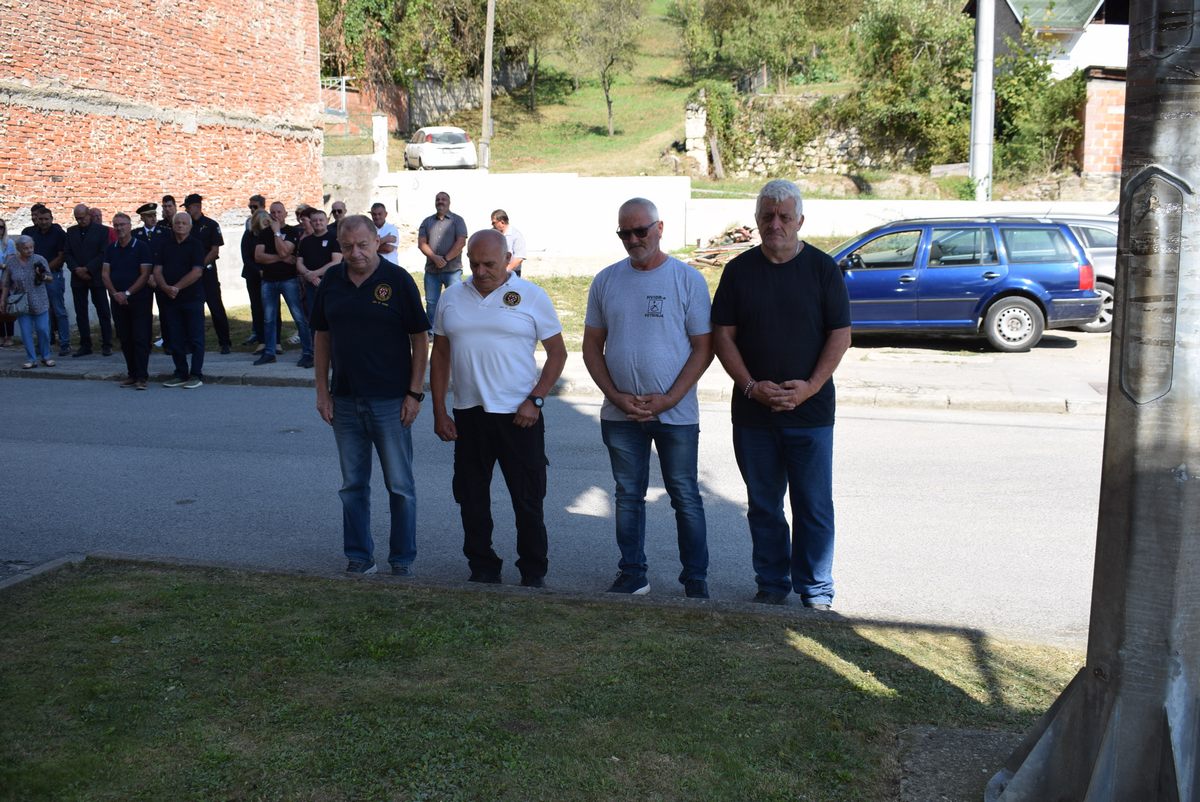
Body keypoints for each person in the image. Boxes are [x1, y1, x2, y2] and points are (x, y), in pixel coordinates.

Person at [711, 179, 852, 609]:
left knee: (813, 506)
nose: (776, 224)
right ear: (756, 221)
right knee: (764, 505)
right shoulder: (738, 271)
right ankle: (772, 583)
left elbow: (840, 335)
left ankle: (816, 588)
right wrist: (750, 387)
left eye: (784, 217)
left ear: (800, 221)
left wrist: (810, 388)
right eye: (767, 216)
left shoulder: (823, 269)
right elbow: (722, 336)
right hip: (753, 415)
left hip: (810, 414)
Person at [582, 198, 713, 599]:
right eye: (625, 233)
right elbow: (591, 347)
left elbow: (703, 348)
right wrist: (616, 397)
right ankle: (633, 574)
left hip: (676, 414)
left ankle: (695, 580)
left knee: (684, 496)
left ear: (660, 228)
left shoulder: (687, 279)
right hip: (620, 413)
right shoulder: (606, 280)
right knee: (627, 496)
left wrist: (670, 399)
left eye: (641, 231)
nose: (633, 239)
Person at [430, 229, 567, 587]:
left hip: (520, 415)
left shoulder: (532, 296)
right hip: (469, 414)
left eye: (489, 264)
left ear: (507, 259)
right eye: (474, 264)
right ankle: (482, 566)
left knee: (528, 500)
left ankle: (533, 571)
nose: (480, 272)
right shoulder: (451, 297)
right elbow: (440, 355)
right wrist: (439, 411)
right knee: (472, 498)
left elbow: (557, 353)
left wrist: (536, 399)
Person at [311, 214, 430, 575]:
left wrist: (414, 393)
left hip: (391, 402)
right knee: (352, 486)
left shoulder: (398, 280)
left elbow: (419, 339)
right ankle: (360, 557)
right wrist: (322, 391)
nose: (356, 253)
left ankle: (402, 559)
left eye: (363, 245)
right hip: (345, 401)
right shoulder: (332, 281)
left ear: (378, 241)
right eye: (347, 247)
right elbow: (322, 337)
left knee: (400, 486)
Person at [153, 212, 207, 389]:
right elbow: (157, 270)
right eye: (178, 223)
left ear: (190, 226)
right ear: (173, 225)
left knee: (196, 337)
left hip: (192, 298)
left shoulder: (196, 245)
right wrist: (165, 287)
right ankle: (180, 372)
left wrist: (176, 287)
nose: (180, 226)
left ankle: (196, 374)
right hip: (170, 299)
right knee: (175, 338)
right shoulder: (164, 244)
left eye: (184, 223)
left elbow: (197, 272)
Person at [253, 203, 311, 367]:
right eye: (273, 212)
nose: (276, 215)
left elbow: (285, 251)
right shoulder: (264, 233)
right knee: (269, 318)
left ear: (285, 213)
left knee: (298, 317)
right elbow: (258, 256)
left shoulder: (292, 231)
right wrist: (281, 258)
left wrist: (277, 233)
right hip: (268, 280)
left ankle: (308, 352)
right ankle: (269, 352)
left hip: (288, 279)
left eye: (279, 212)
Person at [101, 213, 154, 389]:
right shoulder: (111, 249)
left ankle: (142, 377)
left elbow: (145, 274)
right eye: (116, 225)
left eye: (122, 224)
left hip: (139, 300)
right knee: (125, 338)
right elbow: (105, 274)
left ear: (130, 226)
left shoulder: (141, 247)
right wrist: (115, 293)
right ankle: (132, 374)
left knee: (140, 338)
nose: (119, 228)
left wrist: (127, 293)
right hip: (117, 301)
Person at [183, 194, 232, 354]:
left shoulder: (211, 225)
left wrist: (200, 265)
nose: (187, 210)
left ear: (196, 207)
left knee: (216, 308)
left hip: (207, 273)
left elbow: (214, 250)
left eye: (188, 207)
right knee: (191, 310)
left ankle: (224, 342)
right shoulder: (185, 225)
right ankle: (191, 343)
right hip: (190, 274)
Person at [64, 202, 113, 357]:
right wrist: (77, 269)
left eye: (83, 217)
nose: (81, 221)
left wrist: (87, 269)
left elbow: (103, 253)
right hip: (77, 277)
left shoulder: (102, 231)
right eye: (77, 218)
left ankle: (107, 344)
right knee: (81, 312)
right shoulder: (71, 231)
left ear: (89, 215)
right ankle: (85, 344)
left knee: (103, 310)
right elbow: (67, 254)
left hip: (96, 276)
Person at [21, 205, 69, 355]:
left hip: (53, 275)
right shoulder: (32, 233)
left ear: (51, 219)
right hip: (35, 278)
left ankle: (65, 344)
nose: (43, 222)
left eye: (46, 219)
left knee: (58, 310)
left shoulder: (58, 233)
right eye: (40, 219)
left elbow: (62, 256)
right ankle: (44, 344)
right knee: (41, 311)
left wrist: (44, 270)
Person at [1, 236, 54, 368]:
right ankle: (31, 359)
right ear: (18, 249)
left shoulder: (39, 259)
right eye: (25, 248)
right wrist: (2, 300)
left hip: (39, 300)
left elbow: (50, 278)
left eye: (31, 247)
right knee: (26, 332)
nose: (29, 250)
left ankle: (46, 356)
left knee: (43, 330)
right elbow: (6, 283)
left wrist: (42, 276)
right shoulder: (12, 262)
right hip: (21, 302)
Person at [417, 192, 467, 326]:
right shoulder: (427, 222)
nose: (440, 201)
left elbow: (461, 242)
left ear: (449, 202)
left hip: (452, 271)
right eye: (438, 199)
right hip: (432, 271)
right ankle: (432, 330)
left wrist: (444, 259)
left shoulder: (458, 220)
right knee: (432, 303)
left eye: (443, 199)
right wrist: (434, 258)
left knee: (454, 301)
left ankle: (454, 327)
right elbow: (421, 243)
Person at [296, 208, 342, 323]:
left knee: (331, 316)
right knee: (314, 316)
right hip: (311, 285)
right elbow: (299, 262)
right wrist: (308, 275)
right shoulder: (305, 241)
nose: (318, 222)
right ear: (311, 222)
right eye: (315, 220)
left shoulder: (335, 239)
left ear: (327, 221)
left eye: (321, 220)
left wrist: (314, 274)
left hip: (330, 283)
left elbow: (336, 262)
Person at [240, 195, 270, 348]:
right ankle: (259, 336)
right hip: (253, 274)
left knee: (270, 307)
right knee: (256, 306)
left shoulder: (270, 229)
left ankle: (273, 338)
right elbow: (246, 256)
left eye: (255, 207)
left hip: (270, 274)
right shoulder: (249, 231)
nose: (252, 210)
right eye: (250, 207)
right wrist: (258, 270)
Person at [490, 209, 527, 275]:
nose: (492, 225)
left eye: (494, 222)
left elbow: (519, 258)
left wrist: (504, 271)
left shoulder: (516, 236)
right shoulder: (493, 233)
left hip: (512, 273)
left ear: (502, 222)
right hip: (495, 272)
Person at [0, 219, 16, 347]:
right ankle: (1, 336)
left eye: (1, 227)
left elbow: (9, 263)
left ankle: (9, 336)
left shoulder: (9, 243)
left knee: (8, 308)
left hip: (5, 279)